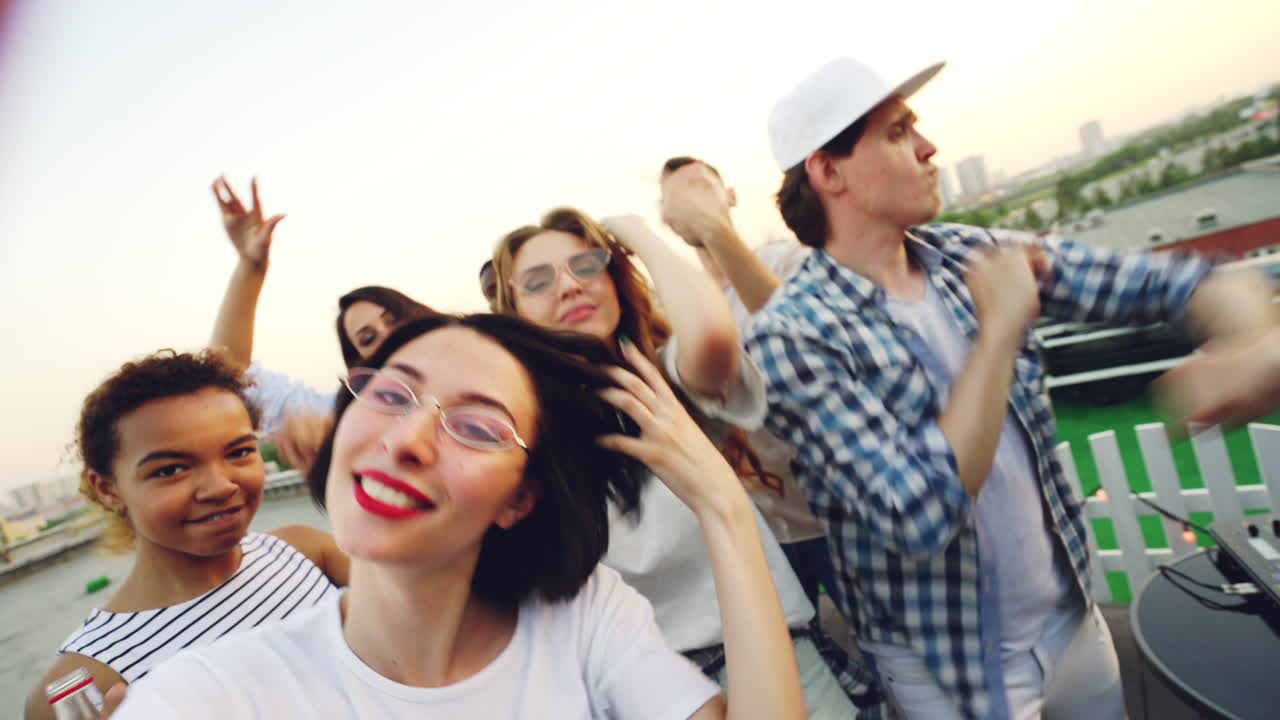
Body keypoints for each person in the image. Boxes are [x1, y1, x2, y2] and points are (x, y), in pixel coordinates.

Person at [745, 56, 1280, 720]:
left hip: (1072, 622)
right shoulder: (792, 336)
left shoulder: (977, 253)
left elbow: (1173, 284)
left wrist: (1255, 339)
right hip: (946, 667)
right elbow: (917, 515)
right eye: (896, 132)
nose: (927, 145)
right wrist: (997, 331)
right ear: (828, 172)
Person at [111, 313, 808, 719]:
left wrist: (724, 509)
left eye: (476, 428)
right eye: (388, 395)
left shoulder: (581, 619)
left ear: (521, 498)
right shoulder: (210, 696)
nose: (407, 439)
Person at [490, 208, 880, 716]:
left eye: (586, 265)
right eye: (538, 281)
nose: (568, 286)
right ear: (514, 313)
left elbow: (712, 334)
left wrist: (637, 233)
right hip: (650, 692)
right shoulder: (525, 440)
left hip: (779, 657)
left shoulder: (668, 379)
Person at [24, 349, 348, 720]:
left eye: (239, 452)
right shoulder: (84, 685)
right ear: (108, 490)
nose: (220, 486)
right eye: (171, 470)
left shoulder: (307, 551)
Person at [658, 156, 835, 609]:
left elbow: (803, 329)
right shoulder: (677, 312)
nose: (691, 203)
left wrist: (716, 230)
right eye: (678, 198)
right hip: (767, 532)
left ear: (731, 197)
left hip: (837, 513)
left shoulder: (788, 260)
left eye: (700, 187)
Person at [209, 176, 434, 466]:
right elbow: (229, 374)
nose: (388, 335)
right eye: (368, 338)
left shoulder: (496, 365)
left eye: (394, 319)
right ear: (361, 366)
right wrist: (250, 268)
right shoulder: (349, 419)